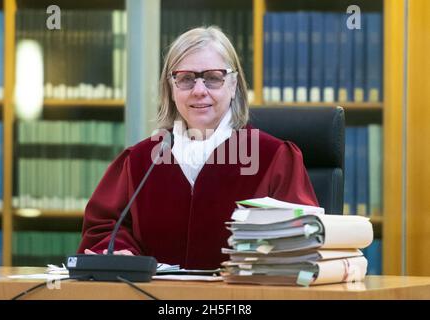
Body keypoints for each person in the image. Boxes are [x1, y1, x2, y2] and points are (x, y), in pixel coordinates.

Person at [78, 26, 318, 269]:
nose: (199, 91)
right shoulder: (141, 161)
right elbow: (104, 228)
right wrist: (120, 252)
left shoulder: (273, 158)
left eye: (213, 78)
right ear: (171, 89)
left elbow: (302, 241)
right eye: (186, 79)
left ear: (233, 85)